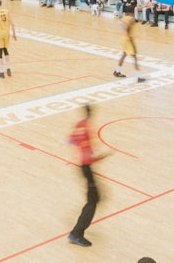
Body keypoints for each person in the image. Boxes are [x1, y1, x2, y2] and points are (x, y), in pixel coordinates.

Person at [67, 104, 106, 247]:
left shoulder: (80, 125)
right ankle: (76, 233)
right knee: (93, 200)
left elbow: (69, 140)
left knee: (95, 198)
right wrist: (99, 157)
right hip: (86, 167)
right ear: (92, 112)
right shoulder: (87, 128)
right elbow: (88, 154)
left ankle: (78, 231)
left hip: (83, 167)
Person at [113, 14, 145, 82]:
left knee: (124, 55)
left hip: (124, 39)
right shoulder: (131, 19)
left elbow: (120, 24)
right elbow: (128, 28)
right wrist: (129, 37)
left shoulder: (123, 18)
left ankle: (117, 71)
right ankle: (137, 77)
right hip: (129, 40)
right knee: (135, 57)